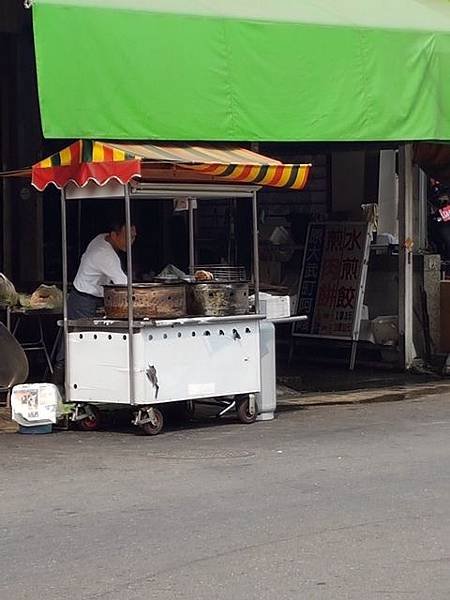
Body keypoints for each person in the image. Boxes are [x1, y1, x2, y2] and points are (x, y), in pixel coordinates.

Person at [53, 221, 137, 382]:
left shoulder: (101, 238)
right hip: (83, 301)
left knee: (78, 342)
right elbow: (123, 283)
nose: (131, 241)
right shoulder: (105, 254)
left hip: (90, 297)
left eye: (133, 237)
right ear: (114, 235)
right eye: (128, 236)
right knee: (75, 342)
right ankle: (59, 385)